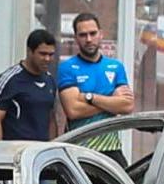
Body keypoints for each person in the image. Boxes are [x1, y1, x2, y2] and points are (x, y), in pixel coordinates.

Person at [57, 11, 133, 139]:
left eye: (93, 33)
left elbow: (127, 106)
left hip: (110, 145)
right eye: (83, 35)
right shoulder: (67, 67)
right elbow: (73, 111)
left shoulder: (116, 67)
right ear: (76, 38)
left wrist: (89, 97)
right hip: (79, 146)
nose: (88, 39)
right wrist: (111, 102)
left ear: (101, 34)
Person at [0, 29, 63, 142]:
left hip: (39, 153)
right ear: (29, 51)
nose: (47, 59)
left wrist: (52, 147)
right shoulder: (10, 79)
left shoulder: (50, 80)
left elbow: (51, 118)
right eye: (42, 54)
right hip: (15, 152)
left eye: (51, 54)